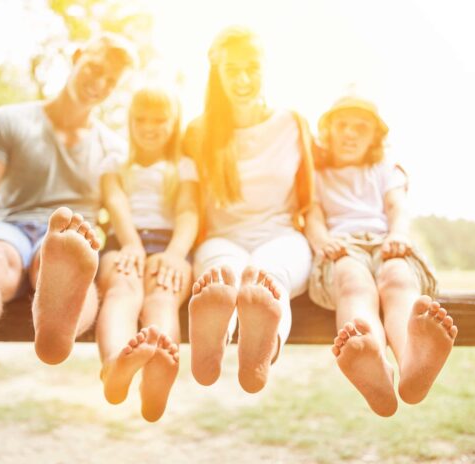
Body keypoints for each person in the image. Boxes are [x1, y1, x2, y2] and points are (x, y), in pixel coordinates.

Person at [0, 33, 138, 371]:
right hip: (12, 230)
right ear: (77, 57)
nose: (100, 83)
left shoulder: (114, 149)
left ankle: (58, 323)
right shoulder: (10, 122)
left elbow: (120, 210)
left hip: (70, 238)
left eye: (111, 80)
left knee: (66, 266)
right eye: (95, 68)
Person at [305, 95, 457, 417]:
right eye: (342, 126)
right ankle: (371, 357)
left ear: (375, 136)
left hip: (388, 243)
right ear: (328, 131)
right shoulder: (316, 175)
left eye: (360, 128)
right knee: (352, 281)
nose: (350, 133)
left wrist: (399, 235)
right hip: (342, 247)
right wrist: (321, 240)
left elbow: (397, 208)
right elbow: (313, 218)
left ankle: (411, 360)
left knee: (398, 280)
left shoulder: (385, 169)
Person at [183, 26, 315, 394]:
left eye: (251, 68)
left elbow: (314, 194)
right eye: (232, 70)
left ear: (265, 67)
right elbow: (187, 204)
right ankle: (213, 342)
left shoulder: (292, 123)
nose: (243, 79)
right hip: (222, 238)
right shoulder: (197, 132)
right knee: (223, 275)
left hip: (283, 236)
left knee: (268, 278)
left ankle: (261, 351)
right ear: (217, 72)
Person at [96, 86, 198, 422]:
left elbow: (188, 213)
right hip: (124, 240)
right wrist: (130, 244)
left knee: (162, 294)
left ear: (174, 122)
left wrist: (174, 254)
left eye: (159, 119)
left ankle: (158, 374)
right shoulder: (115, 162)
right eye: (141, 119)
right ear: (130, 121)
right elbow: (116, 203)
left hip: (169, 244)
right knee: (122, 288)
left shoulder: (183, 166)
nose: (149, 126)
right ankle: (114, 363)